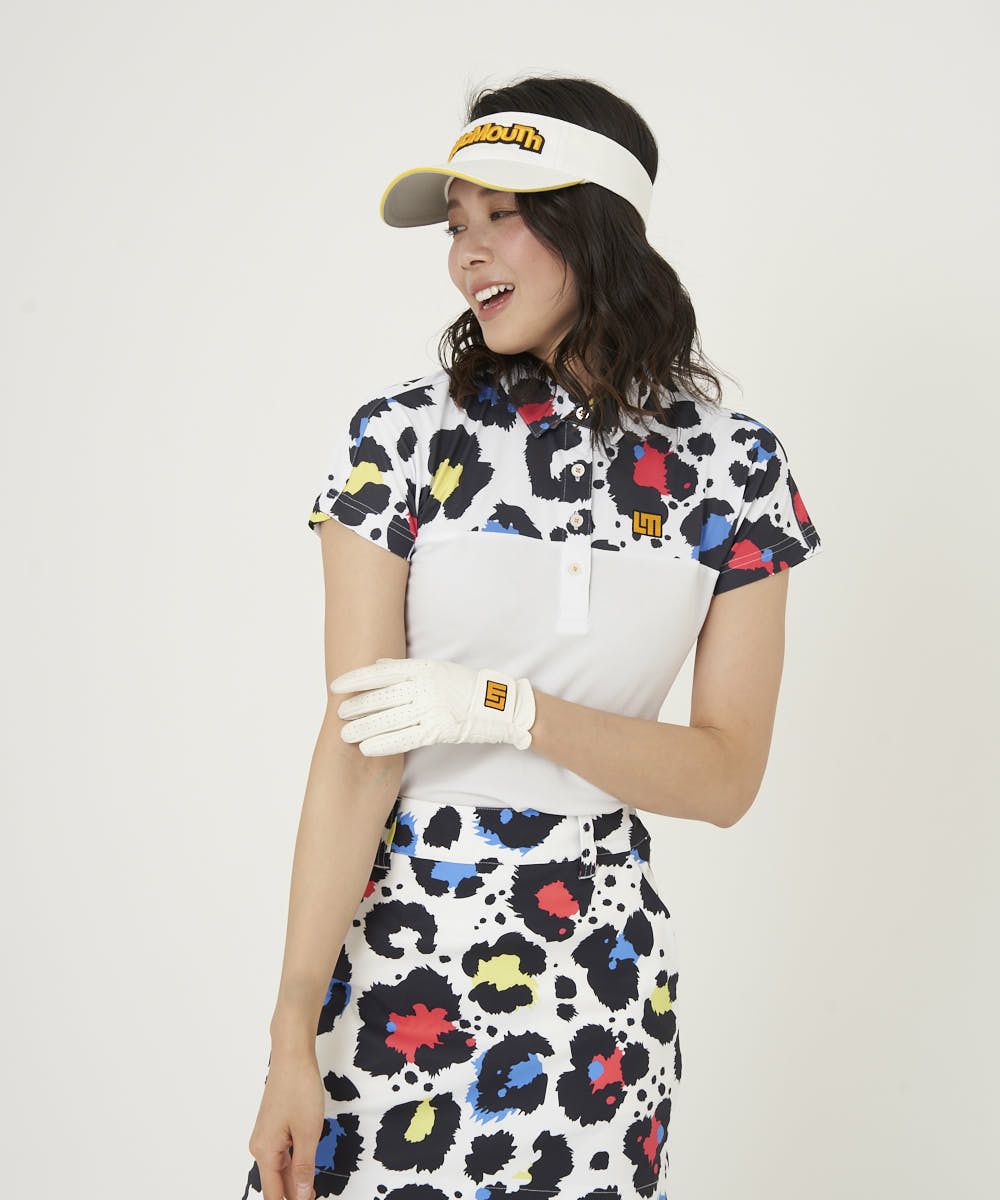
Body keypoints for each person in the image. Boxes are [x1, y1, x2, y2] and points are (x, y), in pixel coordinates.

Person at [239, 75, 824, 1200]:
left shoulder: (736, 468)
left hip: (598, 980)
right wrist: (289, 1038)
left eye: (502, 215)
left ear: (595, 227)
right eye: (456, 225)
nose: (467, 253)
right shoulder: (401, 438)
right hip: (397, 954)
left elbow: (725, 777)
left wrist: (506, 708)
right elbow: (356, 751)